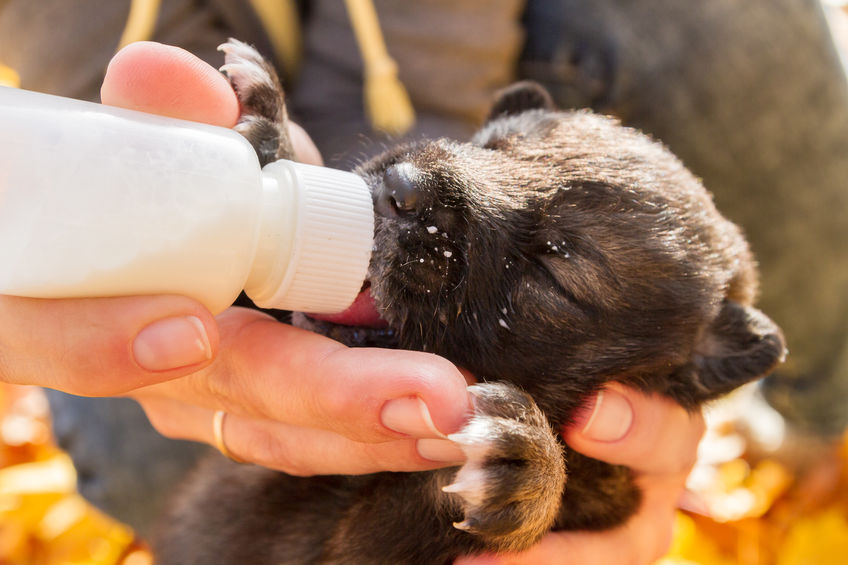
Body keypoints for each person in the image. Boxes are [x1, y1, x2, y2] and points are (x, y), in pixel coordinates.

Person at [1, 0, 846, 563]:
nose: (418, 182)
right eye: (498, 145)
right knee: (160, 428)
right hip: (213, 460)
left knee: (737, 35)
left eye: (556, 270)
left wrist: (539, 481)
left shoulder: (595, 433)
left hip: (415, 77)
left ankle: (832, 423)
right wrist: (198, 165)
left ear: (686, 366)